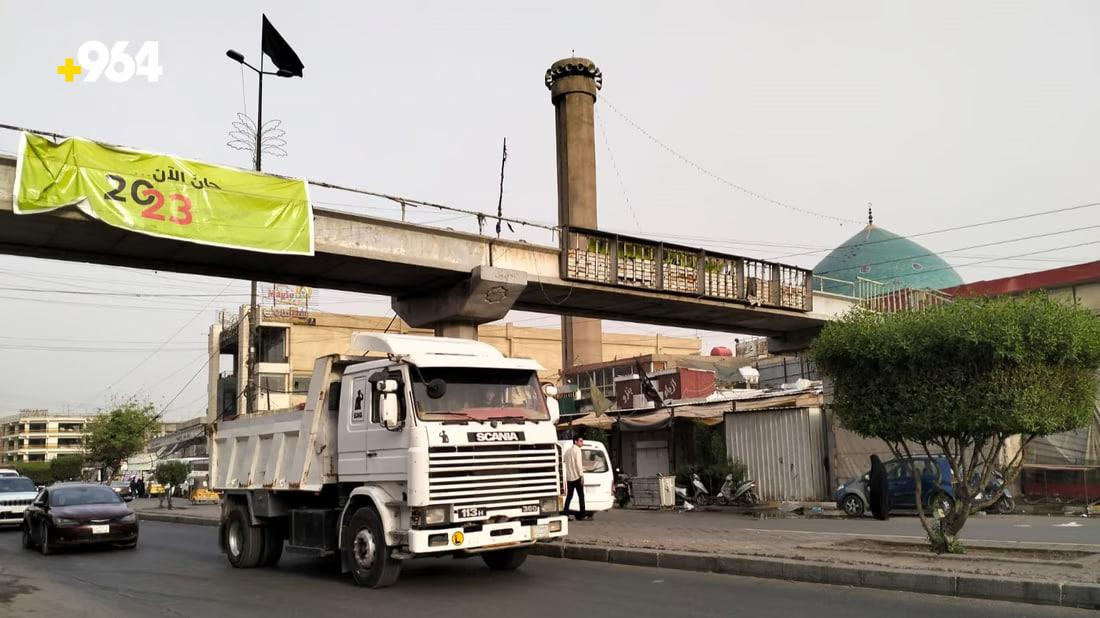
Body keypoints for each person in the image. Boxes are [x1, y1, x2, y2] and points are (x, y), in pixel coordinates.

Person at [563, 435, 589, 520]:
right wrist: (581, 475)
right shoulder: (577, 450)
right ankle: (582, 514)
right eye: (580, 441)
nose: (582, 443)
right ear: (575, 441)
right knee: (581, 496)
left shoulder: (567, 451)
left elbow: (564, 462)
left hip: (569, 477)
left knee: (569, 496)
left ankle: (565, 514)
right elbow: (578, 464)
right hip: (577, 477)